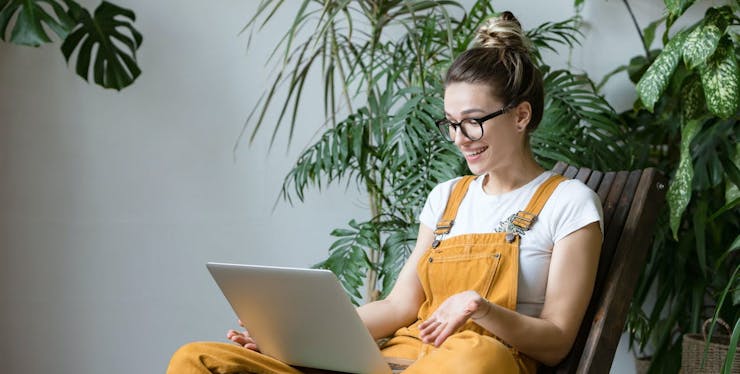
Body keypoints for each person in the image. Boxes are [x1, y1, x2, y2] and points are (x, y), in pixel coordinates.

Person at [167, 11, 603, 374]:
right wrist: (293, 336)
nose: (459, 138)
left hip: (475, 364)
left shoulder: (568, 203)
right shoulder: (447, 197)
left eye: (472, 121)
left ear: (521, 115)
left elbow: (557, 342)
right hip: (398, 361)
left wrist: (481, 310)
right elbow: (398, 307)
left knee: (478, 354)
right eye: (451, 123)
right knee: (197, 359)